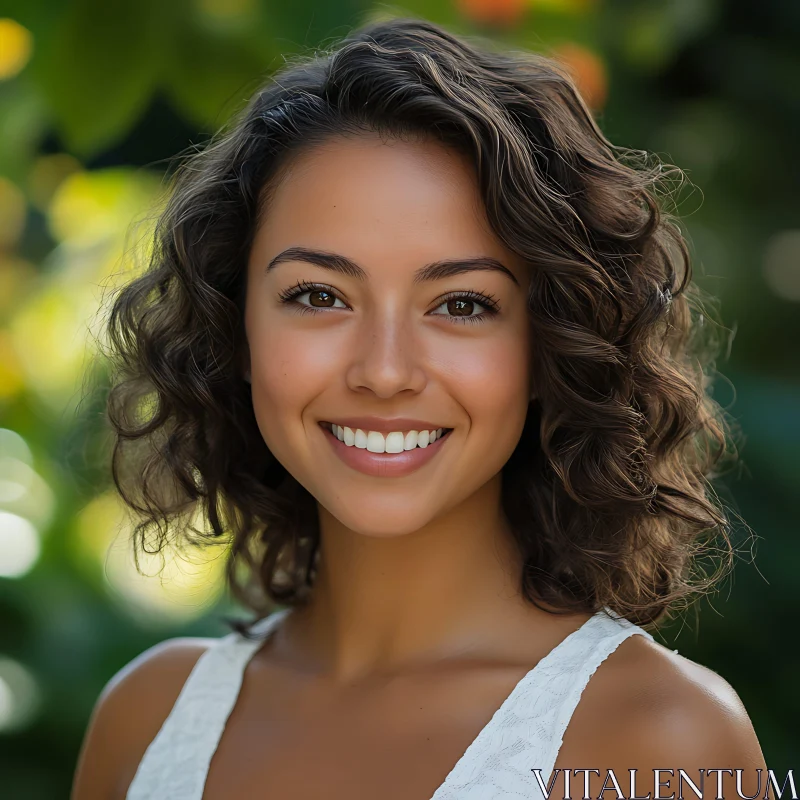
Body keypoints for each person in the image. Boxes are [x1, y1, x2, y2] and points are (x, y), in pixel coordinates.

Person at [72, 16, 767, 800]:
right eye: (319, 295)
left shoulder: (660, 738)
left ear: (551, 344)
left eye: (463, 304)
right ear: (235, 328)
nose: (385, 371)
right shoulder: (145, 722)